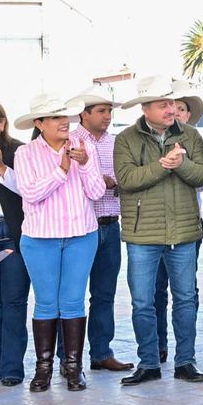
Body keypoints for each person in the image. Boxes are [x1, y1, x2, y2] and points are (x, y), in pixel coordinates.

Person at [115, 76, 203, 385]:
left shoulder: (191, 135)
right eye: (163, 104)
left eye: (172, 103)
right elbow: (127, 180)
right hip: (142, 236)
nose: (170, 109)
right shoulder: (126, 139)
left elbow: (202, 177)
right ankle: (149, 363)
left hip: (183, 233)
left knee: (185, 298)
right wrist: (164, 164)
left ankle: (186, 361)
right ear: (145, 108)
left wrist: (179, 164)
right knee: (142, 302)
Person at [11, 93, 105, 392]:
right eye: (55, 117)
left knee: (73, 301)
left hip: (81, 235)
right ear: (39, 123)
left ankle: (74, 368)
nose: (64, 121)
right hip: (40, 238)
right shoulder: (26, 153)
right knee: (46, 303)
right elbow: (31, 193)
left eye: (65, 116)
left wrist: (87, 163)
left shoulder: (84, 146)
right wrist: (62, 169)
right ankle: (44, 370)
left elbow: (97, 192)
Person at [72, 90, 133, 372]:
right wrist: (97, 180)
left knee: (104, 293)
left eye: (110, 111)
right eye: (101, 111)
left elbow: (127, 180)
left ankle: (101, 353)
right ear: (84, 114)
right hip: (78, 227)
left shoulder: (117, 144)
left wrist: (115, 183)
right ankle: (67, 359)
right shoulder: (70, 141)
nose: (108, 117)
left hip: (109, 225)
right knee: (70, 296)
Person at [152, 94, 203, 365]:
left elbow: (202, 182)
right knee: (155, 290)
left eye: (182, 109)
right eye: (171, 107)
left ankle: (186, 355)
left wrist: (180, 162)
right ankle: (158, 346)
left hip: (189, 224)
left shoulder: (194, 140)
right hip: (154, 227)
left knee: (186, 291)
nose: (176, 112)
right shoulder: (153, 141)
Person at [0, 102, 29, 386]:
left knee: (13, 302)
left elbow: (28, 191)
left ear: (1, 124)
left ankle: (11, 369)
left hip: (11, 232)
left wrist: (0, 166)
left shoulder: (19, 151)